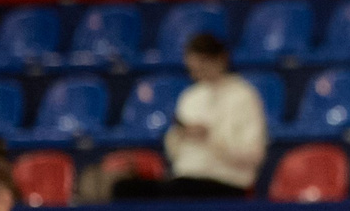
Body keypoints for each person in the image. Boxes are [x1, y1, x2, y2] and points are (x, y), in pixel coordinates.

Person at [109, 33, 266, 199]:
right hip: (184, 178)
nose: (198, 71)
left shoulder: (244, 96)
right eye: (194, 67)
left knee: (179, 191)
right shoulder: (191, 96)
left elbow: (253, 155)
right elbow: (174, 152)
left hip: (227, 181)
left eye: (203, 64)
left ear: (221, 59)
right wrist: (179, 135)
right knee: (124, 189)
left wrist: (210, 138)